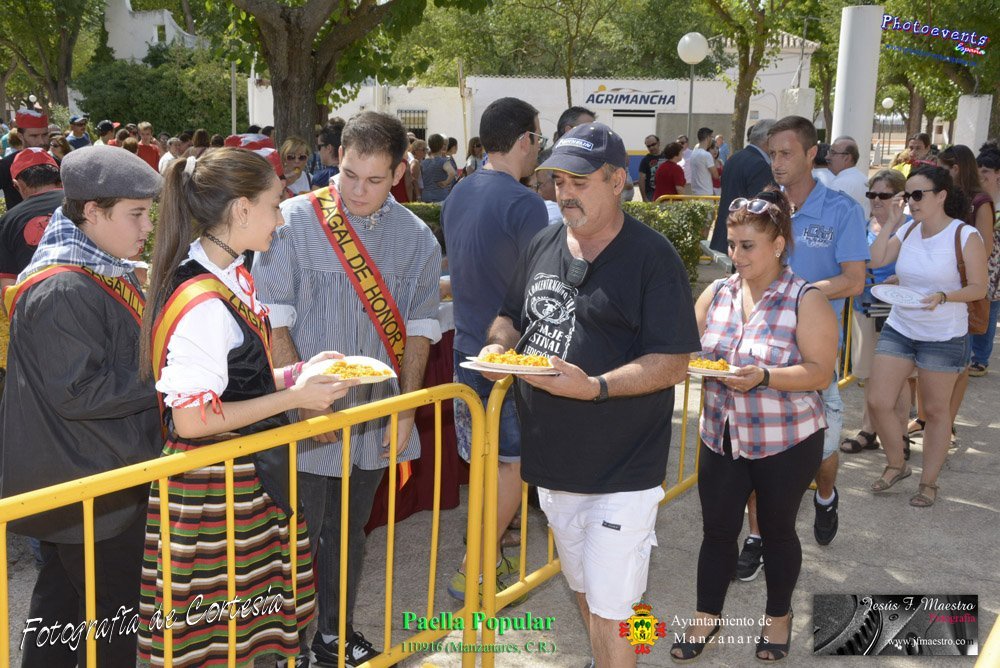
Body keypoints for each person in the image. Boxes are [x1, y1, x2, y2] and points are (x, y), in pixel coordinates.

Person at [482, 122, 700, 667]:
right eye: (559, 180)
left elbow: (673, 361)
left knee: (613, 607)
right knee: (589, 592)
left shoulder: (653, 257)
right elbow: (510, 315)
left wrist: (596, 387)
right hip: (553, 465)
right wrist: (497, 347)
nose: (565, 193)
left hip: (623, 469)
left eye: (579, 182)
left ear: (618, 181)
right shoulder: (544, 241)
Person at [135, 148, 350, 667]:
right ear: (241, 209)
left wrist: (297, 374)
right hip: (215, 487)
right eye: (275, 205)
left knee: (241, 632)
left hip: (240, 475)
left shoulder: (223, 272)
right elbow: (192, 420)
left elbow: (234, 385)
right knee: (217, 639)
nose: (282, 217)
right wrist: (296, 398)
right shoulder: (206, 302)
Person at [253, 110, 441, 666]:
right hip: (305, 413)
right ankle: (289, 645)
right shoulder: (291, 221)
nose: (358, 191)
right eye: (349, 174)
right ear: (337, 158)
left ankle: (335, 634)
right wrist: (298, 403)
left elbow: (420, 330)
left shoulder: (417, 239)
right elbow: (274, 322)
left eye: (375, 180)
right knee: (299, 533)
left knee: (351, 530)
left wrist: (404, 410)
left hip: (374, 413)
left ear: (400, 172)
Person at [0, 145, 163, 667]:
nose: (146, 228)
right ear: (92, 211)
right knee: (113, 620)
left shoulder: (91, 270)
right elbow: (79, 392)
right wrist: (169, 379)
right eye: (136, 214)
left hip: (87, 479)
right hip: (90, 483)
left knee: (62, 607)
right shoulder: (66, 287)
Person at [671, 189, 836, 663]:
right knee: (717, 531)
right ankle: (706, 617)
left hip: (787, 439)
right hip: (721, 432)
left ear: (778, 245)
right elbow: (683, 347)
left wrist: (764, 376)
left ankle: (778, 617)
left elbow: (819, 372)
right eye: (732, 244)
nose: (736, 255)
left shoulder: (805, 299)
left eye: (748, 245)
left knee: (778, 531)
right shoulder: (718, 292)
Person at [735, 117, 867, 572]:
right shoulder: (761, 207)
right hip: (760, 349)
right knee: (756, 449)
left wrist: (797, 294)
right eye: (772, 153)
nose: (776, 162)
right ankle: (756, 536)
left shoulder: (841, 211)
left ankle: (825, 495)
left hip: (813, 355)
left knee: (823, 451)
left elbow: (854, 280)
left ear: (812, 154)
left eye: (786, 153)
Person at [441, 97, 547, 603]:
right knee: (512, 466)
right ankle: (474, 568)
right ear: (524, 139)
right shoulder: (525, 203)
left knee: (486, 464)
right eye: (538, 139)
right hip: (507, 358)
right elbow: (543, 284)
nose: (539, 149)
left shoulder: (458, 192)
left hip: (466, 350)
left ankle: (488, 554)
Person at [867, 166, 987, 507]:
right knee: (878, 400)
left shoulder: (965, 235)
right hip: (902, 326)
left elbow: (978, 288)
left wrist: (945, 296)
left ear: (941, 196)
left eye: (918, 195)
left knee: (934, 411)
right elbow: (876, 260)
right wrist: (891, 222)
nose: (911, 201)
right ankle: (897, 463)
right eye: (908, 195)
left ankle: (928, 482)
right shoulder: (908, 230)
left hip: (944, 335)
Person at [840, 170, 911, 455]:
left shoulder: (910, 228)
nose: (876, 200)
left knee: (898, 377)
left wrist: (902, 279)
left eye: (883, 195)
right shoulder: (863, 224)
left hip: (898, 311)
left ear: (900, 197)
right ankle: (869, 430)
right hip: (865, 306)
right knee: (869, 373)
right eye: (872, 194)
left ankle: (901, 434)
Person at [708, 119, 776, 254]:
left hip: (728, 235)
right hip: (744, 240)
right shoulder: (760, 165)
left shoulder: (735, 158)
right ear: (769, 139)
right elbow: (761, 208)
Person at [0, 148, 63, 290]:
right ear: (59, 180)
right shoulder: (84, 203)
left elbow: (8, 287)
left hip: (36, 299)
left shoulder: (7, 222)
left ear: (18, 185)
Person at [970, 148, 1000, 375]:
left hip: (995, 265)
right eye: (979, 169)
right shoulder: (976, 197)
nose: (981, 174)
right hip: (978, 259)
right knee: (974, 305)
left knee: (989, 309)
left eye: (987, 170)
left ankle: (980, 359)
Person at [0, 109, 50, 208]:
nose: (42, 141)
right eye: (34, 136)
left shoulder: (58, 163)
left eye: (44, 135)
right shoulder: (6, 165)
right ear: (20, 136)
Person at [828, 135, 871, 218]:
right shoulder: (864, 179)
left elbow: (831, 216)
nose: (828, 157)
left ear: (846, 158)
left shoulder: (840, 184)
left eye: (833, 153)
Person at [420, 133, 458, 202]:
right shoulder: (443, 161)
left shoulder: (423, 162)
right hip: (440, 195)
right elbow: (452, 173)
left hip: (426, 195)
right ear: (441, 146)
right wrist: (446, 182)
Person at [312, 119, 346, 190]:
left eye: (319, 147)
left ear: (329, 148)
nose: (318, 151)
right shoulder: (352, 174)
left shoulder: (320, 178)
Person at [689, 127, 719, 196]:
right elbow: (716, 175)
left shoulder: (693, 154)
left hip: (695, 193)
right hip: (706, 193)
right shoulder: (706, 155)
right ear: (708, 137)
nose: (712, 139)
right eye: (711, 137)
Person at [637, 134, 661, 201]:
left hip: (666, 193)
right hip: (651, 194)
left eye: (653, 144)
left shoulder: (667, 157)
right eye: (648, 146)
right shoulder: (645, 160)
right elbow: (641, 180)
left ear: (659, 143)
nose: (651, 148)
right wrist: (644, 198)